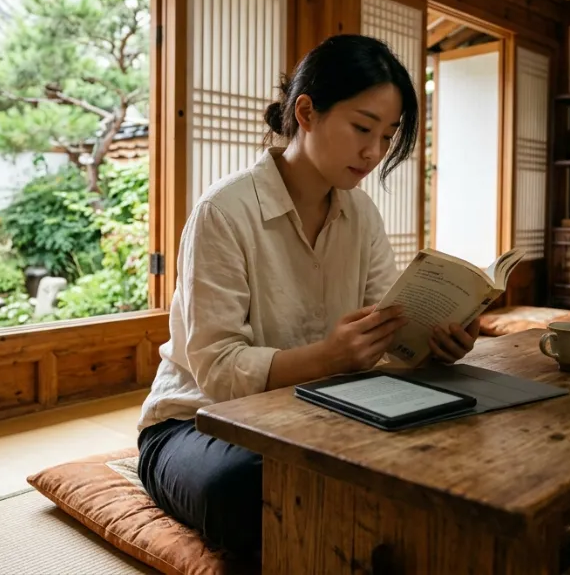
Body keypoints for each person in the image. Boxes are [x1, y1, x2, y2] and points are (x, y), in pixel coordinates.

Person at [135, 34, 481, 560]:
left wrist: (436, 341)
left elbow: (387, 328)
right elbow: (219, 369)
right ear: (306, 112)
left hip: (314, 417)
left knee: (447, 442)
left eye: (387, 137)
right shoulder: (224, 212)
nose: (374, 151)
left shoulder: (360, 213)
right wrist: (330, 356)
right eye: (362, 128)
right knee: (252, 490)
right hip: (197, 423)